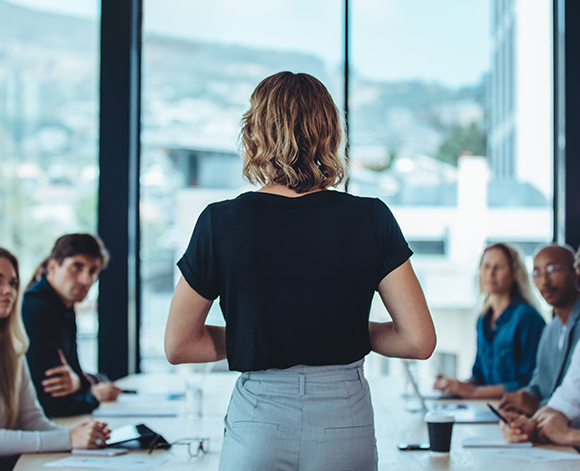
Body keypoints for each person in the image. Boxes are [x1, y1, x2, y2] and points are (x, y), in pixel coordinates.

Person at [164, 71, 436, 470]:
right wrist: (334, 329)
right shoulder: (371, 217)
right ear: (330, 133)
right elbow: (418, 341)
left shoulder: (220, 221)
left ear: (255, 133)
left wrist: (257, 335)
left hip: (259, 418)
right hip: (344, 417)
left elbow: (179, 345)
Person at [0, 245, 109, 471]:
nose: (8, 291)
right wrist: (69, 439)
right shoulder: (39, 309)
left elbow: (32, 421)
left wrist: (76, 434)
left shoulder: (12, 350)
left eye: (13, 283)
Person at [502, 237, 580, 448]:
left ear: (572, 275)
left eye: (553, 269)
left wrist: (569, 435)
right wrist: (529, 425)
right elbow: (565, 402)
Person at [22, 234, 121, 418]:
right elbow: (52, 402)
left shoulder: (64, 308)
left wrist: (79, 382)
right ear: (53, 267)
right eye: (77, 267)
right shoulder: (36, 309)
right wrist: (94, 395)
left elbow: (75, 373)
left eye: (93, 271)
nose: (85, 279)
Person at [434, 243, 545, 399]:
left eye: (498, 267)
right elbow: (478, 377)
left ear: (514, 273)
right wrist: (454, 385)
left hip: (515, 411)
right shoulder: (483, 319)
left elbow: (529, 383)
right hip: (486, 407)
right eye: (486, 266)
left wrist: (472, 393)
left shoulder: (528, 317)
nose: (490, 274)